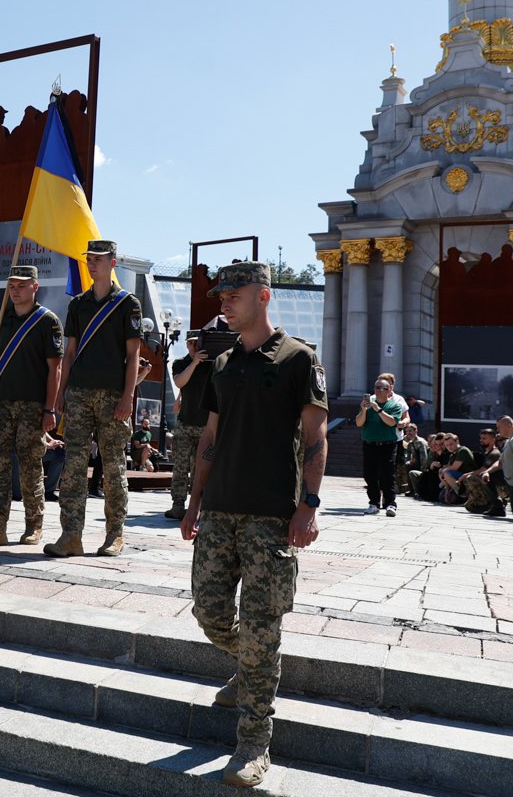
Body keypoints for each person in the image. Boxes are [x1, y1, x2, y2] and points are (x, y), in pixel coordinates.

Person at [183, 261, 328, 788]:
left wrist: (308, 505)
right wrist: (194, 502)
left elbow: (316, 437)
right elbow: (209, 438)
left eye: (234, 293)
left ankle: (252, 744)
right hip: (219, 510)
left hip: (272, 517)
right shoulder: (221, 364)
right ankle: (248, 664)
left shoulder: (299, 359)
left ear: (264, 296)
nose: (224, 301)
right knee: (209, 611)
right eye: (221, 294)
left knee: (263, 630)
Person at [46, 240, 142, 558]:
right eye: (90, 259)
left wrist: (128, 396)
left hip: (113, 394)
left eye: (99, 259)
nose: (93, 264)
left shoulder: (127, 304)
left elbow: (133, 355)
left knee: (113, 466)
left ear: (113, 263)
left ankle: (114, 534)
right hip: (79, 394)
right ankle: (71, 535)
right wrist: (60, 393)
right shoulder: (79, 304)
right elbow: (70, 352)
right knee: (74, 464)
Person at [0, 265, 62, 548]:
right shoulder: (1, 319)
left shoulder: (47, 322)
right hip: (1, 403)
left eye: (21, 285)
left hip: (33, 407)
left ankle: (34, 524)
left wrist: (50, 410)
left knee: (30, 465)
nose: (15, 290)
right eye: (12, 285)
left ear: (35, 287)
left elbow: (55, 369)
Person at [165, 330, 214, 521]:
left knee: (200, 468)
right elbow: (179, 382)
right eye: (191, 344)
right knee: (180, 466)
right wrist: (194, 363)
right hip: (185, 424)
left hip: (205, 427)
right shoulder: (181, 363)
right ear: (186, 345)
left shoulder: (211, 365)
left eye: (197, 343)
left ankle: (198, 506)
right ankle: (177, 505)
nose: (194, 347)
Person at [355, 373, 403, 516]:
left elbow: (392, 422)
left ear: (388, 390)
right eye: (376, 387)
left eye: (382, 388)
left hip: (387, 445)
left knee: (387, 475)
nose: (378, 390)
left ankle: (390, 504)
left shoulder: (394, 405)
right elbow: (359, 423)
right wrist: (364, 409)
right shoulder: (368, 404)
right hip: (370, 444)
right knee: (370, 475)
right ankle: (373, 503)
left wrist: (378, 409)